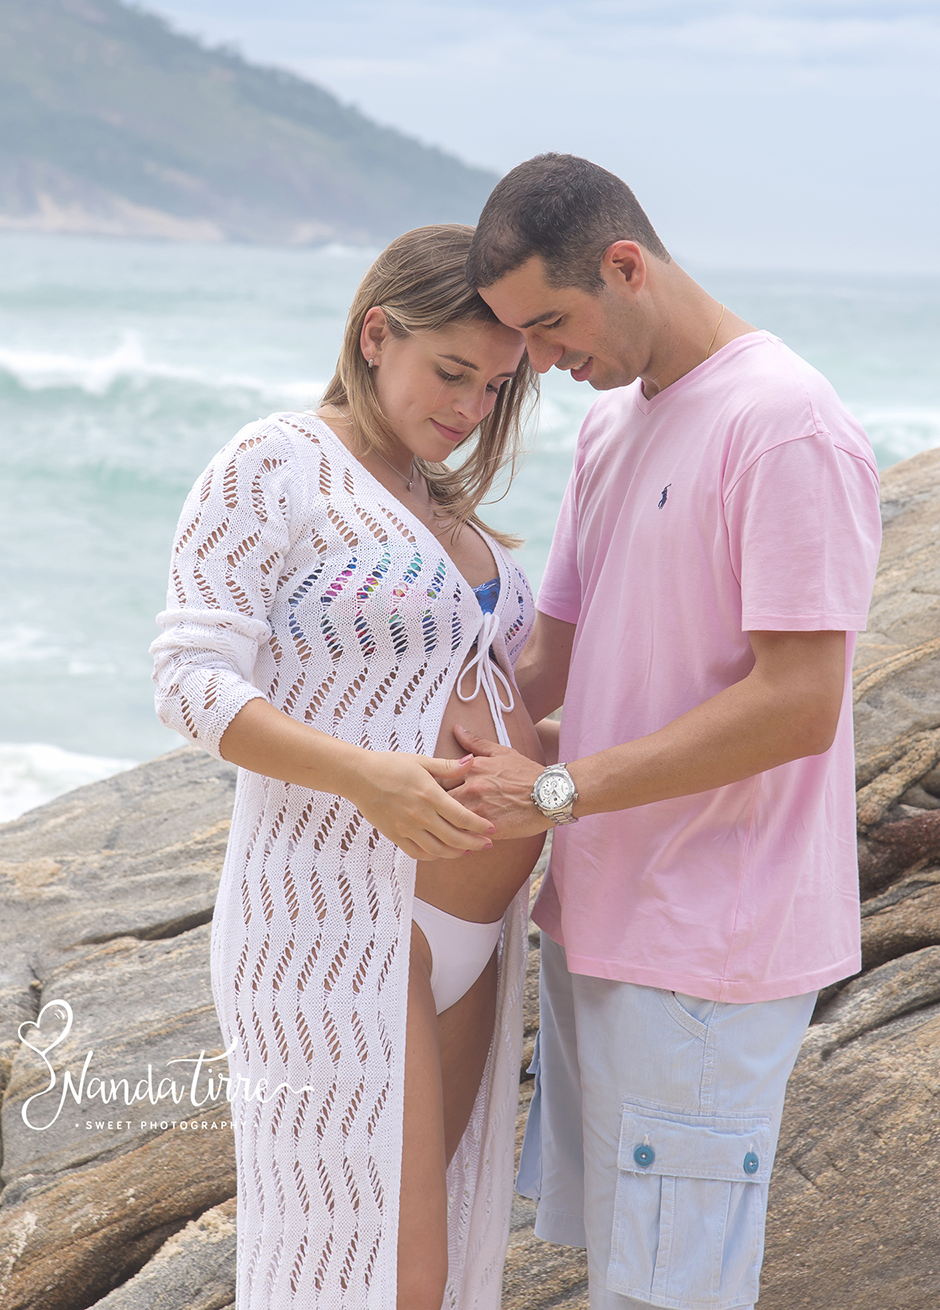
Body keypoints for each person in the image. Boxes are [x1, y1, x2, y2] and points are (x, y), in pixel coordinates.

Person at [446, 154, 883, 1310]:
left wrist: (559, 793)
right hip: (598, 918)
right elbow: (551, 660)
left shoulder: (786, 424)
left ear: (626, 265)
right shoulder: (613, 431)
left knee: (670, 1296)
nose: (542, 361)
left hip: (711, 945)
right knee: (621, 1278)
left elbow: (800, 702)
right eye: (518, 337)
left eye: (552, 322)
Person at [150, 224, 547, 1310]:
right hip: (334, 916)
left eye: (496, 387)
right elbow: (189, 678)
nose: (470, 409)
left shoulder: (444, 505)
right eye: (451, 373)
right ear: (377, 334)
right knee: (376, 1278)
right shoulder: (276, 463)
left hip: (472, 933)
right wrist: (368, 776)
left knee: (446, 1270)